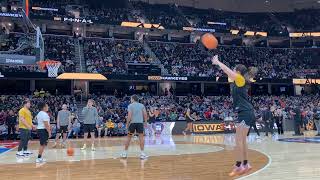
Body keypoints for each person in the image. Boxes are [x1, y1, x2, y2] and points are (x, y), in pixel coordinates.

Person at [212, 55, 257, 177]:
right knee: (242, 140)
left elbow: (228, 72)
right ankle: (246, 164)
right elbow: (228, 75)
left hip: (245, 112)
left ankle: (238, 166)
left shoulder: (240, 79)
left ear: (238, 71)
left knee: (238, 141)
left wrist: (218, 62)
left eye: (234, 70)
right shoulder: (238, 82)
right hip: (246, 112)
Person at [121, 95, 148, 159]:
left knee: (129, 137)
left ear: (133, 99)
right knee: (141, 138)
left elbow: (129, 115)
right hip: (140, 124)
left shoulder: (130, 105)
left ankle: (125, 153)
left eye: (131, 99)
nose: (130, 100)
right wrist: (146, 122)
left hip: (132, 124)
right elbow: (145, 114)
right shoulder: (142, 105)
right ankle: (142, 154)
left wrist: (127, 123)